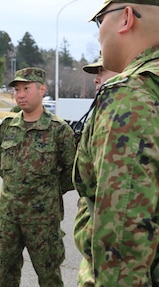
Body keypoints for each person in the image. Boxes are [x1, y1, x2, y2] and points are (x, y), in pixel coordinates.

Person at [73, 1, 159, 285]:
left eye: (100, 21)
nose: (99, 36)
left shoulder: (132, 96)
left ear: (125, 18)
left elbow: (122, 239)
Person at [0, 67, 76, 287]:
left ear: (42, 90)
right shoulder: (6, 127)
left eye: (26, 88)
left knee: (49, 274)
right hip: (10, 216)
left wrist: (47, 191)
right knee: (7, 270)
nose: (20, 94)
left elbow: (71, 171)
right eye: (17, 89)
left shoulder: (59, 130)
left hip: (43, 219)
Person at [73, 55, 119, 286]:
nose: (96, 79)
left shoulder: (124, 120)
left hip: (111, 263)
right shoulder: (102, 116)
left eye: (103, 71)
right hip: (94, 258)